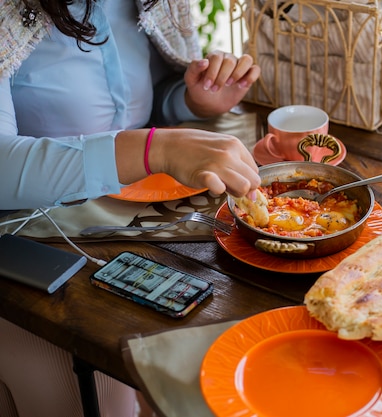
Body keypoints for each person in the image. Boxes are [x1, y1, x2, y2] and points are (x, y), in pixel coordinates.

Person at [0, 0, 261, 416]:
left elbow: (151, 101)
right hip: (33, 247)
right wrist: (155, 147)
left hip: (134, 225)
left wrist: (192, 103)